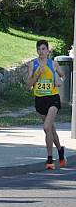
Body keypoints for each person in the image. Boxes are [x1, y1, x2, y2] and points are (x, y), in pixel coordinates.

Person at [26, 39, 67, 170]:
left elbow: (63, 76)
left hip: (53, 99)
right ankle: (61, 152)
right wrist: (36, 75)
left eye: (44, 49)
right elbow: (28, 86)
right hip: (40, 100)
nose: (41, 51)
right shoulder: (33, 65)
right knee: (51, 129)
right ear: (37, 51)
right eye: (39, 49)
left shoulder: (52, 63)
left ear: (48, 51)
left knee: (46, 127)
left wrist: (59, 81)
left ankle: (49, 159)